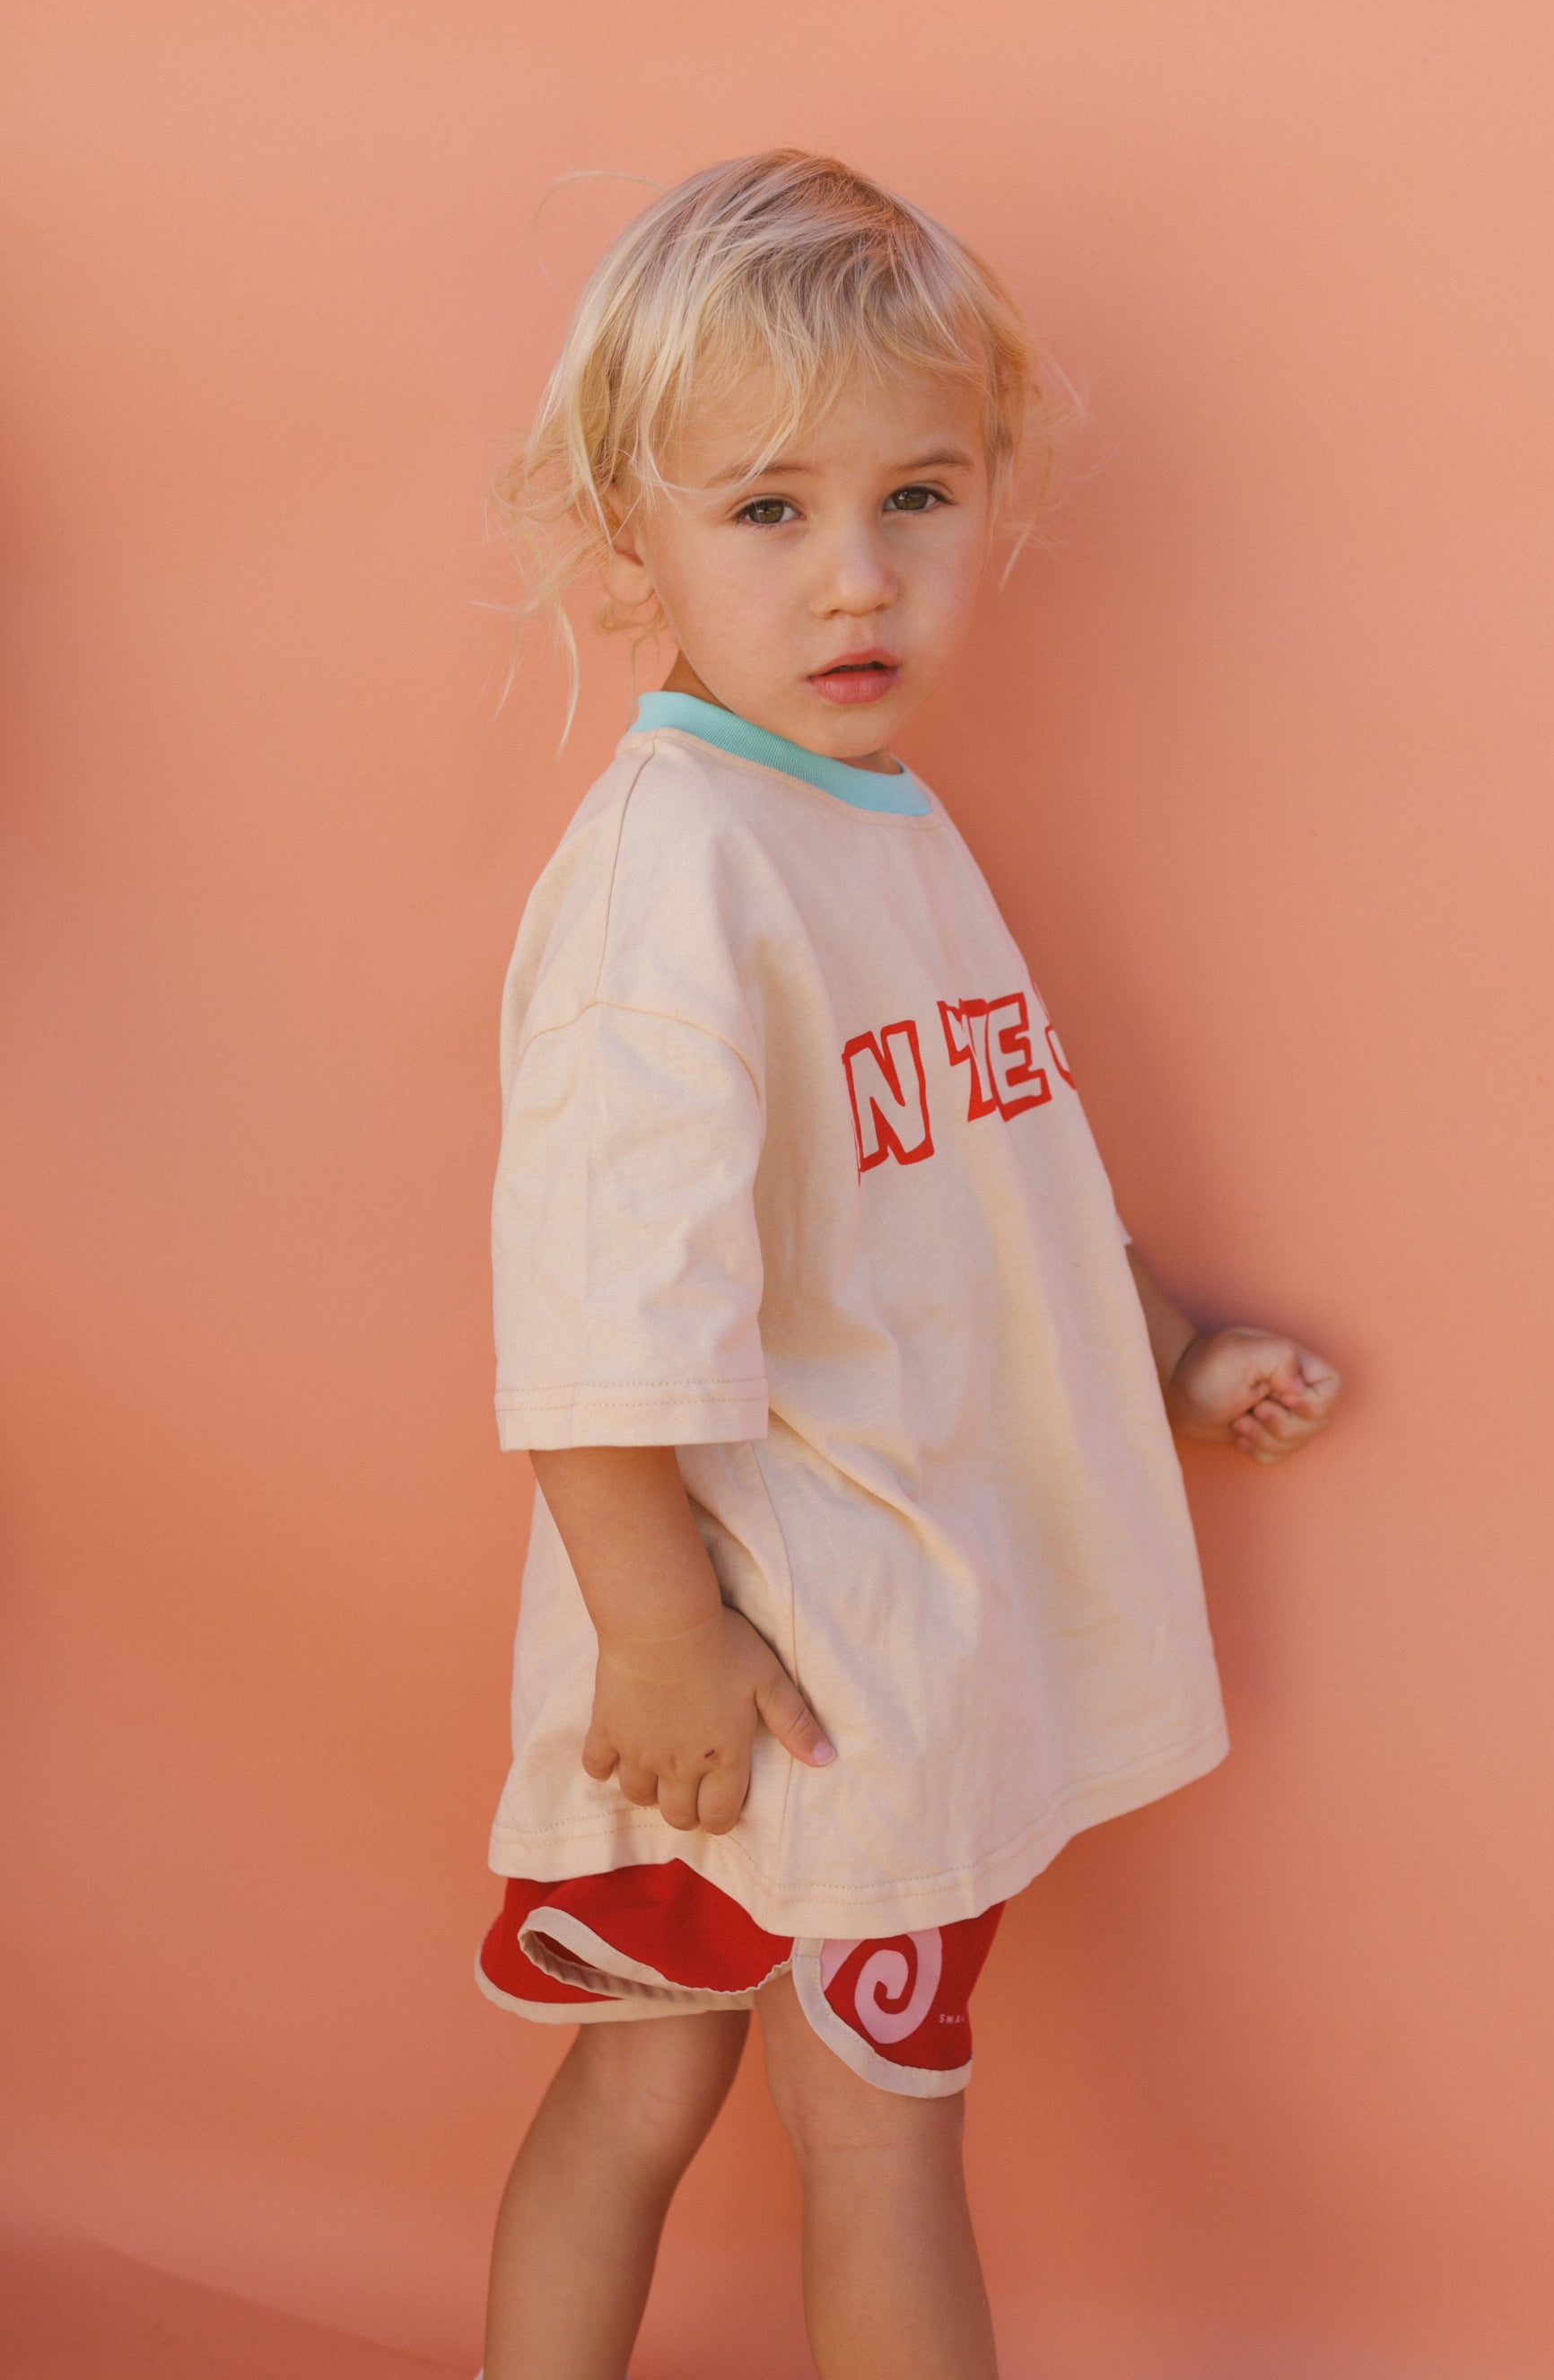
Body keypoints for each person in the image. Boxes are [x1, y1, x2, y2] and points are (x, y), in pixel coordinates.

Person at [475, 149, 1341, 2380]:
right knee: (784, 2116)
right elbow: (590, 1319)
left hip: (876, 1629)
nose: (856, 579)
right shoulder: (676, 883)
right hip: (765, 1655)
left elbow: (985, 1171)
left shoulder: (881, 823)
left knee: (750, 2094)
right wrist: (660, 1646)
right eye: (765, 510)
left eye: (919, 499)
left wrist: (1163, 1343)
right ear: (624, 528)